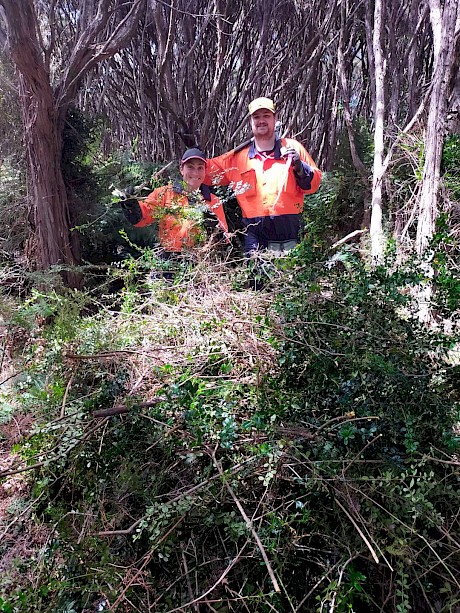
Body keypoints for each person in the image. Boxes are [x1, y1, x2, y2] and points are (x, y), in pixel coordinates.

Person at [206, 97, 322, 255]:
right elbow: (204, 173)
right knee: (256, 278)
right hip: (255, 234)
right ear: (250, 121)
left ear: (275, 119)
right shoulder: (237, 158)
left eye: (266, 116)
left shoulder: (292, 147)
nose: (261, 121)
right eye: (256, 117)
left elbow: (314, 185)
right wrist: (193, 152)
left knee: (291, 277)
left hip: (290, 230)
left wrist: (300, 168)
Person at [120, 148, 228, 254]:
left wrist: (213, 227)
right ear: (182, 169)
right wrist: (130, 204)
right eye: (190, 167)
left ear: (205, 171)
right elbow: (141, 219)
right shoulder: (164, 194)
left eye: (200, 168)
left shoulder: (214, 201)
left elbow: (223, 242)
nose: (195, 173)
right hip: (169, 259)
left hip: (200, 260)